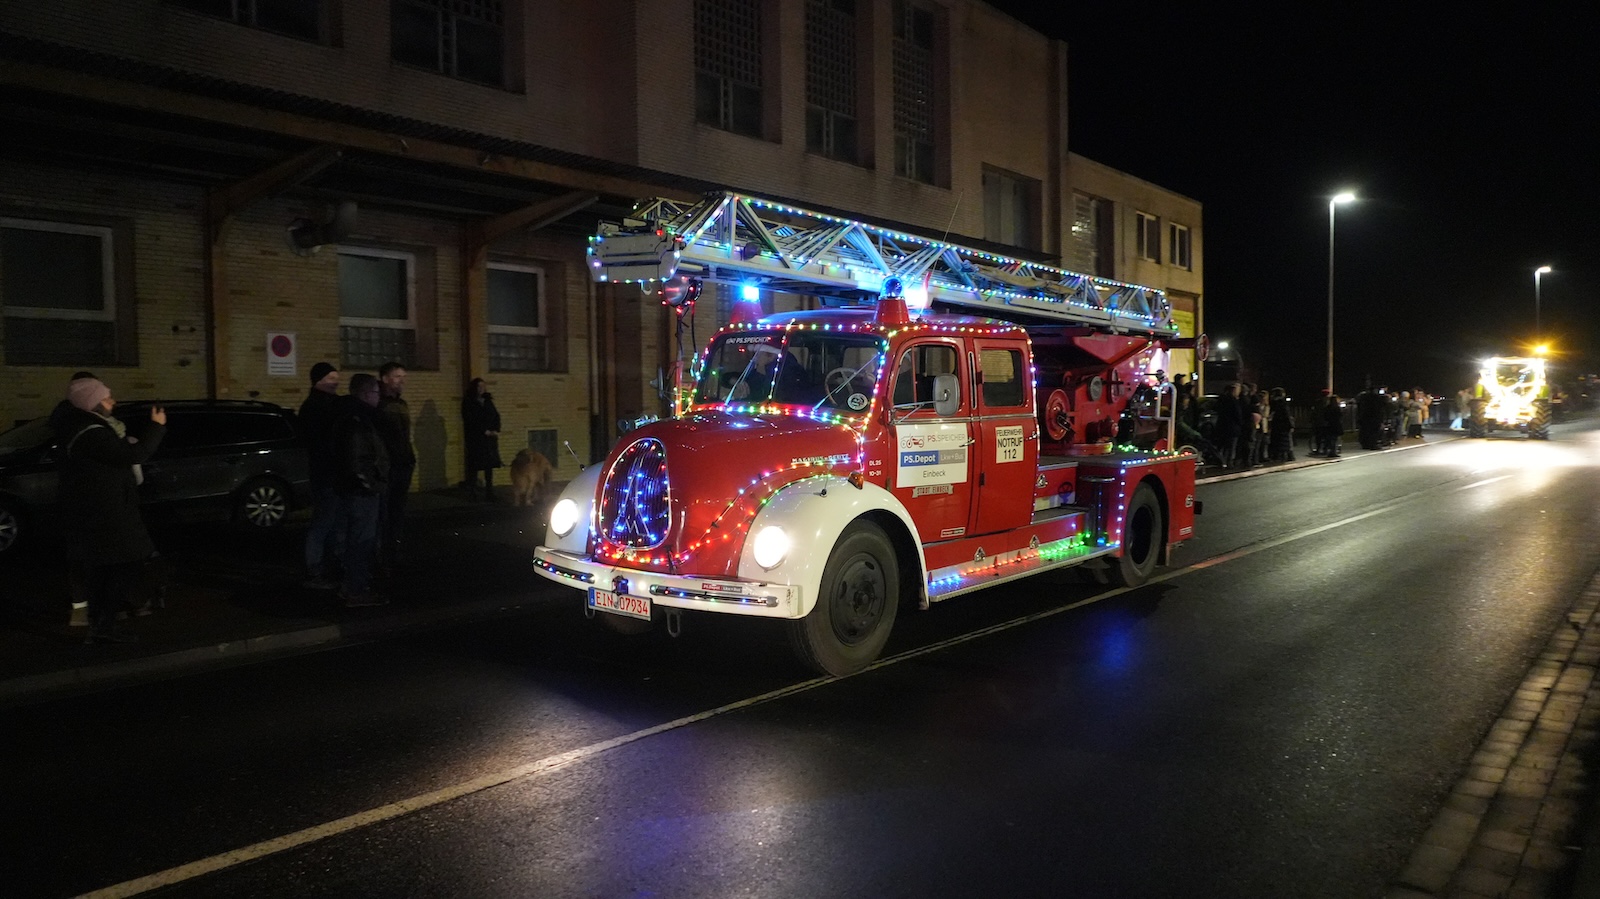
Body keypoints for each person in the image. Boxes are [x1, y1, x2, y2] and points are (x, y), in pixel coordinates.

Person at [55, 376, 167, 643]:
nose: (113, 401)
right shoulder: (91, 433)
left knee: (111, 568)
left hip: (107, 511)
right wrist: (156, 427)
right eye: (107, 397)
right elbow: (133, 456)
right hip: (107, 515)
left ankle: (103, 623)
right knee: (118, 567)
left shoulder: (88, 429)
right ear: (93, 403)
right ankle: (102, 626)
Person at [333, 373, 390, 607]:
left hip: (352, 489)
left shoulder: (348, 415)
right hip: (361, 492)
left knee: (353, 539)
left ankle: (351, 586)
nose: (379, 397)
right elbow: (357, 460)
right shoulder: (358, 420)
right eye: (376, 392)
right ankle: (357, 591)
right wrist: (371, 485)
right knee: (361, 541)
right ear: (366, 394)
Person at [299, 362, 343, 589]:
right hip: (326, 474)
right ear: (318, 380)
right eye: (330, 378)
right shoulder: (314, 407)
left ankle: (328, 565)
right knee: (323, 522)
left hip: (332, 473)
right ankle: (315, 569)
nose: (335, 382)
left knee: (333, 522)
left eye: (336, 377)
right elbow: (319, 444)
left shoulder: (330, 404)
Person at [375, 361, 416, 569]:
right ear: (385, 379)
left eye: (404, 376)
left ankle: (393, 551)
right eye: (397, 376)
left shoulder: (401, 404)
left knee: (397, 511)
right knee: (383, 512)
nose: (402, 381)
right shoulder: (378, 404)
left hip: (402, 465)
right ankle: (381, 553)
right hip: (387, 467)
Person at [460, 377, 503, 502]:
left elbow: (496, 415)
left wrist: (495, 429)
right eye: (479, 387)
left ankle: (489, 492)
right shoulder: (468, 402)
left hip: (489, 439)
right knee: (474, 465)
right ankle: (472, 492)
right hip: (476, 439)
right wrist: (483, 430)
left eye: (483, 387)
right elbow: (470, 420)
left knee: (489, 465)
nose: (481, 389)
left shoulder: (488, 401)